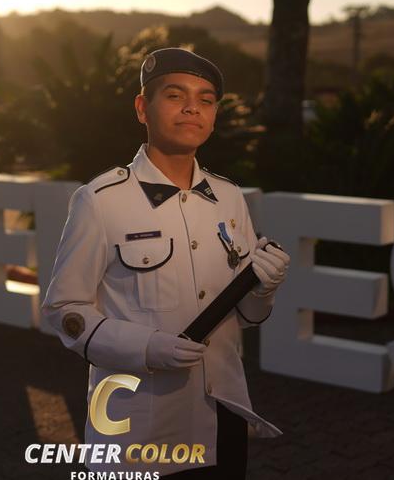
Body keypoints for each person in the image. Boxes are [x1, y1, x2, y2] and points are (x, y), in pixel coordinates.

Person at [42, 47, 291, 478]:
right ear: (143, 108)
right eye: (175, 96)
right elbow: (66, 311)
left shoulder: (229, 197)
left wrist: (263, 289)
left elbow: (247, 316)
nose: (193, 108)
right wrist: (147, 347)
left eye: (206, 100)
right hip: (140, 421)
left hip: (222, 413)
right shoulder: (100, 200)